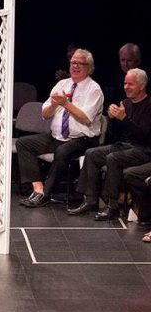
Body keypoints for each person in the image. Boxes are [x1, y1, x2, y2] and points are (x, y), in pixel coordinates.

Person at [17, 49, 103, 207]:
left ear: (89, 67)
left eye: (80, 63)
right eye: (73, 62)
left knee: (62, 151)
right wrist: (55, 104)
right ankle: (38, 188)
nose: (75, 66)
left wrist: (66, 104)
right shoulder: (62, 84)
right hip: (57, 137)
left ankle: (47, 194)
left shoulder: (94, 89)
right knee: (23, 143)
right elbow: (45, 114)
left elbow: (86, 119)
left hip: (83, 139)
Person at [68, 68, 151, 220]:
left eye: (130, 84)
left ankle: (112, 206)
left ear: (141, 86)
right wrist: (113, 118)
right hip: (125, 145)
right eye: (125, 83)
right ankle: (90, 200)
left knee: (113, 158)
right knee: (91, 153)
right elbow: (115, 136)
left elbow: (145, 136)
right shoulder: (125, 103)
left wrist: (124, 119)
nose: (126, 87)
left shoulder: (149, 106)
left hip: (144, 149)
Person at [104, 43, 142, 109]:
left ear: (138, 61)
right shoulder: (114, 76)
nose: (125, 64)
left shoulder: (145, 78)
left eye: (129, 60)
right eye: (122, 60)